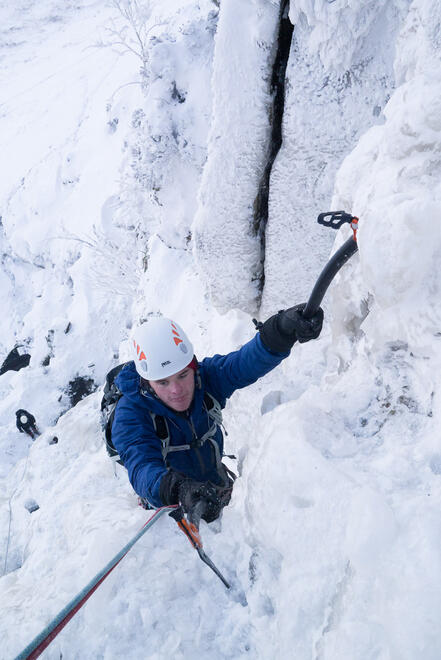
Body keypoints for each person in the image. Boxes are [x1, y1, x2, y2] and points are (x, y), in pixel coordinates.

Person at [112, 305, 323, 522]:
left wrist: (280, 331)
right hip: (170, 500)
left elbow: (242, 364)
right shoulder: (131, 413)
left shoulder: (205, 380)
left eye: (183, 375)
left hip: (215, 480)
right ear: (147, 383)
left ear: (193, 367)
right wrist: (175, 489)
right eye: (163, 382)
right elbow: (141, 465)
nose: (176, 390)